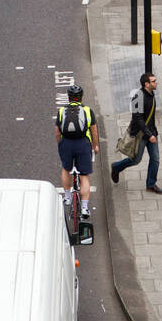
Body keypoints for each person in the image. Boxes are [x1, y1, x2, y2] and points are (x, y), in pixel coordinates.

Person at [111, 72, 162, 195]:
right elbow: (137, 118)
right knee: (135, 160)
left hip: (151, 132)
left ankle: (151, 184)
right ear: (147, 84)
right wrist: (149, 134)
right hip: (141, 135)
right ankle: (116, 167)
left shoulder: (151, 93)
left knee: (155, 159)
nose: (156, 82)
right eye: (154, 81)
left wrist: (153, 132)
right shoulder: (138, 97)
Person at [56, 82, 98, 219]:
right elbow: (94, 131)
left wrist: (61, 144)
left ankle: (67, 197)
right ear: (81, 97)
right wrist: (95, 146)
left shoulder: (62, 111)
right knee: (84, 176)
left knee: (66, 169)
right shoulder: (87, 110)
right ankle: (85, 208)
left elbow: (57, 132)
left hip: (66, 143)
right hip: (83, 144)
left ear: (68, 97)